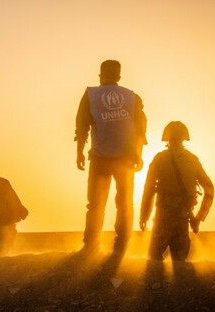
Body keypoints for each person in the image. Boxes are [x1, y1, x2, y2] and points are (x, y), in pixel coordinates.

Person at [74, 60, 147, 255]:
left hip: (100, 159)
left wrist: (79, 152)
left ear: (100, 74)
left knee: (95, 205)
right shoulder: (132, 97)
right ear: (119, 76)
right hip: (126, 159)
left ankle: (91, 245)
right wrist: (139, 155)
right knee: (124, 204)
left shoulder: (91, 94)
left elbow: (81, 126)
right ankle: (121, 247)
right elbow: (141, 129)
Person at [139, 121, 214, 261]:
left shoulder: (159, 159)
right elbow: (209, 188)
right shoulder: (192, 160)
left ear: (166, 138)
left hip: (162, 219)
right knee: (180, 265)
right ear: (184, 138)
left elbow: (148, 190)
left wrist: (144, 216)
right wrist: (199, 217)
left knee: (153, 261)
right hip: (182, 220)